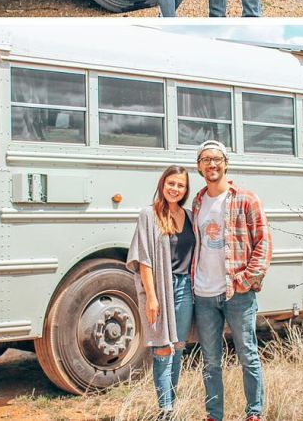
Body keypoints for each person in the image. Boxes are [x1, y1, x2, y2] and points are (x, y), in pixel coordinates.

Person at [191, 140, 272, 421]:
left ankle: (254, 413)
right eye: (205, 159)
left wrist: (247, 280)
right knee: (210, 361)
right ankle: (214, 415)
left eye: (216, 159)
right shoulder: (198, 200)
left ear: (226, 163)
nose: (211, 164)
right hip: (203, 293)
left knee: (247, 355)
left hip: (237, 293)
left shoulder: (246, 198)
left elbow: (263, 241)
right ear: (199, 166)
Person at [127, 166, 195, 419]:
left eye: (180, 185)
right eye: (171, 183)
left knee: (177, 347)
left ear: (186, 190)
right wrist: (151, 296)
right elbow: (144, 259)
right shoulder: (149, 214)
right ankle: (164, 410)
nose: (175, 189)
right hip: (161, 288)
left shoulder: (189, 216)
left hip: (186, 289)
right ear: (162, 184)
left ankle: (172, 406)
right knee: (162, 348)